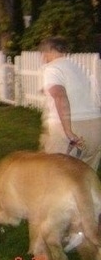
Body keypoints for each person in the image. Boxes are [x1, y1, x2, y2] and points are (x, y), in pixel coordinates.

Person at [39, 36, 101, 170]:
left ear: (51, 50)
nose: (43, 57)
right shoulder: (80, 68)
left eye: (43, 52)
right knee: (84, 183)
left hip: (73, 130)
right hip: (95, 130)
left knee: (56, 179)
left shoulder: (53, 68)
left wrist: (69, 132)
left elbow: (60, 96)